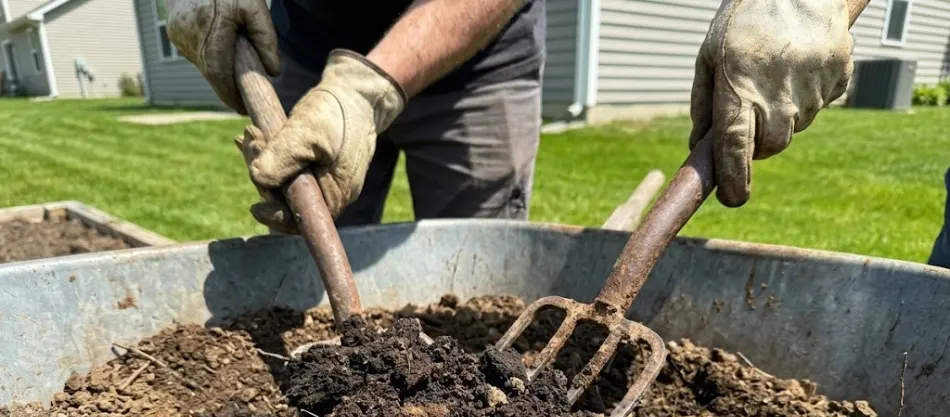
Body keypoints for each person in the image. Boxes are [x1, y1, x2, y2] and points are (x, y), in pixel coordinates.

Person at [165, 0, 855, 232]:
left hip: (476, 60)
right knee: (307, 239)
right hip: (306, 42)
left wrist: (371, 90)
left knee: (476, 272)